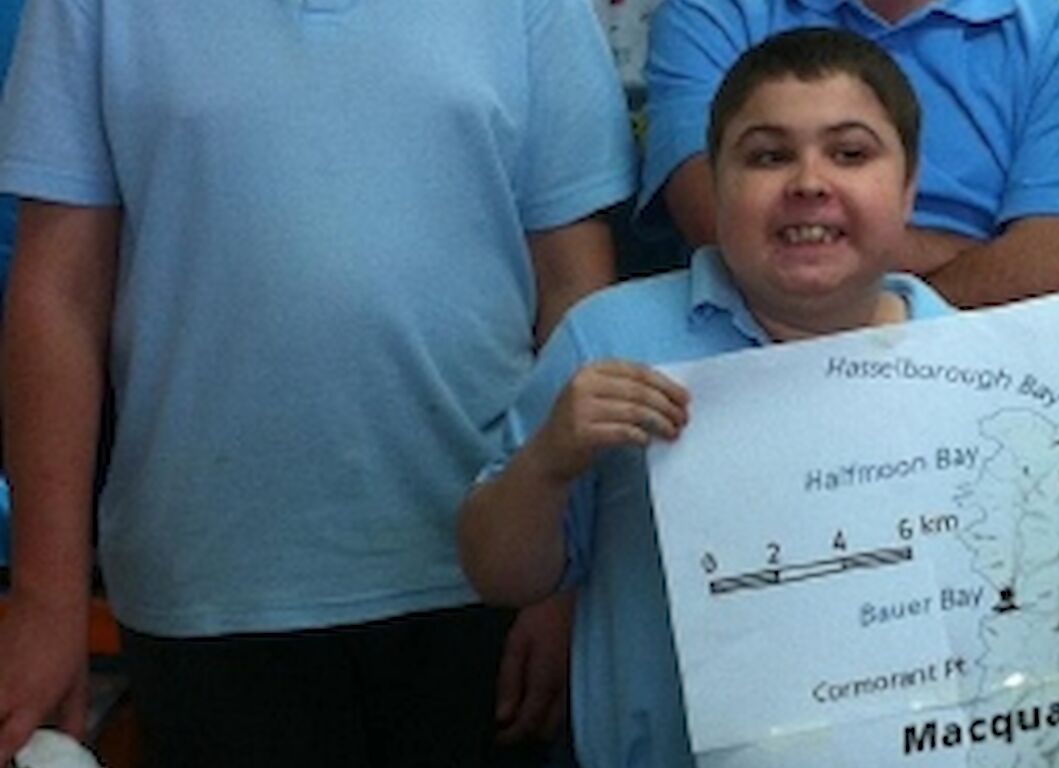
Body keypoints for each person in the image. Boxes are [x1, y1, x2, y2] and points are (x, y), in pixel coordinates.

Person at [0, 0, 634, 764]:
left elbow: (574, 290)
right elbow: (59, 296)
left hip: (484, 572)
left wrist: (564, 572)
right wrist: (45, 597)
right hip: (209, 586)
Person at [458, 28, 954, 767]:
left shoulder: (971, 361)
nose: (809, 181)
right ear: (716, 186)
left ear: (910, 187)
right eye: (767, 155)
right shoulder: (611, 337)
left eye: (850, 153)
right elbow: (496, 573)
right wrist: (548, 463)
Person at [640, 0, 1059, 306]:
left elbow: (1048, 275)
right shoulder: (712, 12)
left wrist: (830, 277)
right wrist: (978, 258)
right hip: (742, 356)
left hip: (984, 370)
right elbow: (715, 212)